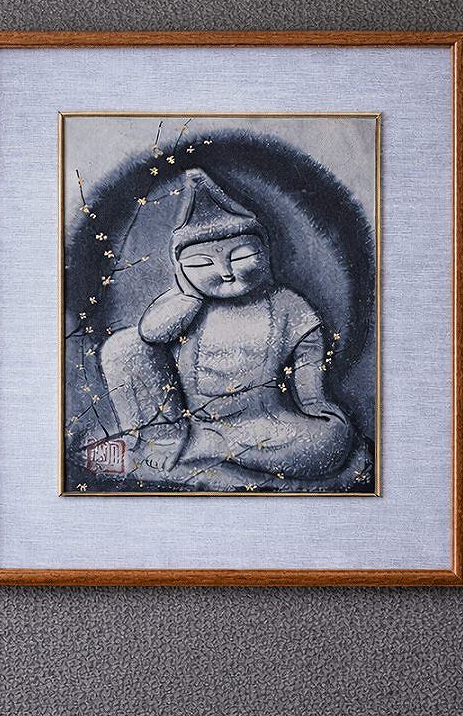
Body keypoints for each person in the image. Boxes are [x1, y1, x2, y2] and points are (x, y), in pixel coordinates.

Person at [100, 168, 372, 491]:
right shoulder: (186, 305)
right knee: (123, 347)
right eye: (202, 264)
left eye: (241, 256)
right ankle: (166, 439)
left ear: (263, 252)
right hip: (187, 421)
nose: (225, 271)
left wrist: (317, 409)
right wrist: (188, 296)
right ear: (181, 268)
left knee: (332, 440)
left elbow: (312, 390)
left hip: (262, 427)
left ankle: (208, 447)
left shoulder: (287, 304)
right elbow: (150, 335)